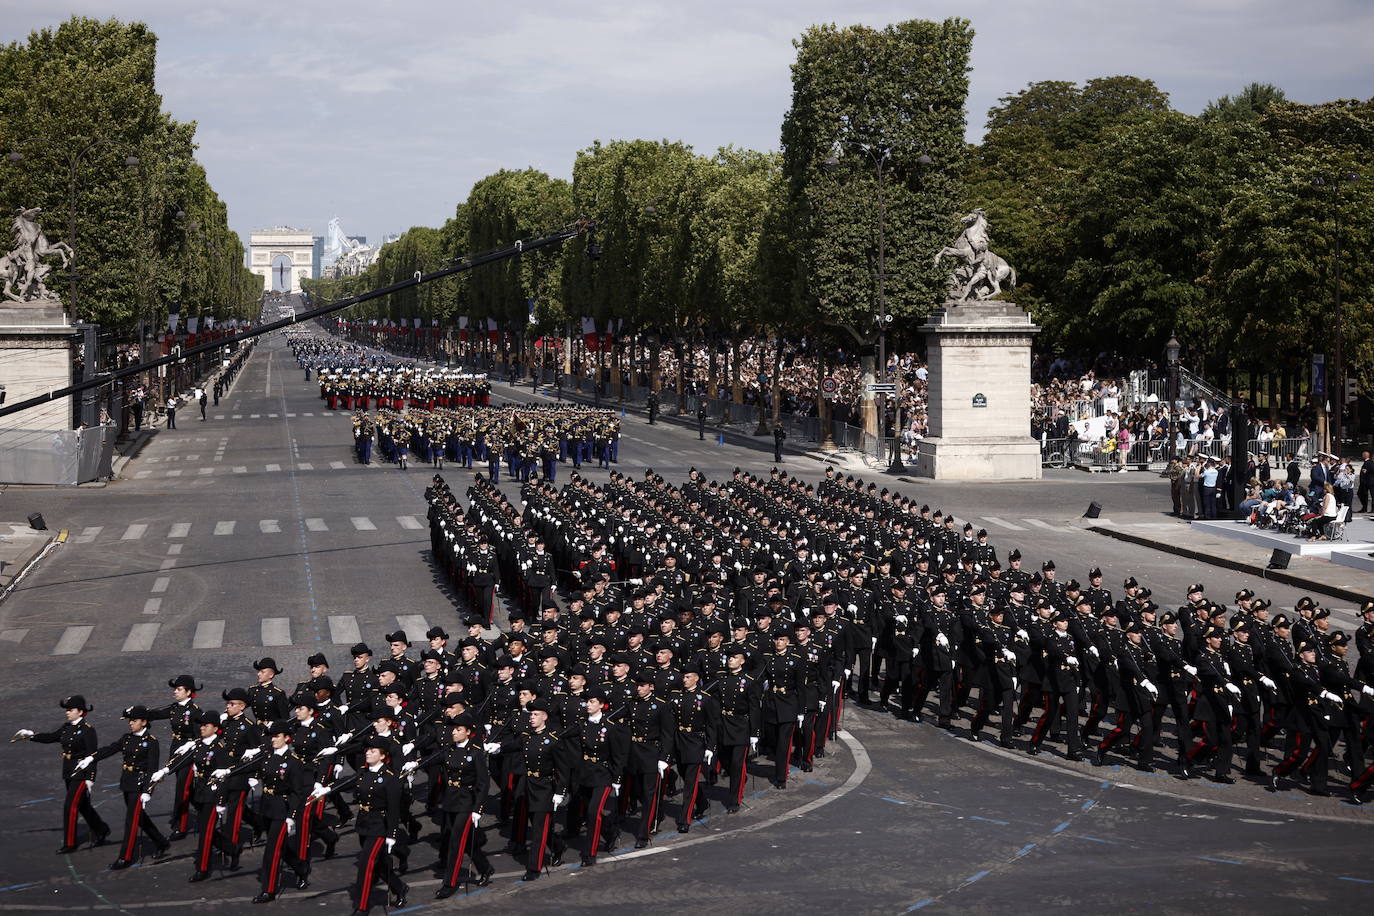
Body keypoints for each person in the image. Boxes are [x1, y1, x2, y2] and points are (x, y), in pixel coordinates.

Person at [11, 694, 110, 853]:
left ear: (80, 711)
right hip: (69, 772)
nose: (67, 712)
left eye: (70, 710)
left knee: (70, 806)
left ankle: (70, 843)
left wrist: (91, 778)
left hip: (81, 774)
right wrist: (31, 736)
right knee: (83, 806)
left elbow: (93, 755)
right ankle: (101, 829)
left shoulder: (88, 730)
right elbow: (51, 737)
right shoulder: (66, 727)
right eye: (67, 710)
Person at [88, 705, 168, 869]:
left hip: (139, 786)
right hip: (127, 782)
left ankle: (125, 857)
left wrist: (148, 791)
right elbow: (111, 749)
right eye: (130, 720)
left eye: (134, 720)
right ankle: (161, 842)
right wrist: (92, 758)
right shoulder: (127, 738)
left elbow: (152, 769)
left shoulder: (151, 742)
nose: (131, 723)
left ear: (144, 722)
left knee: (131, 821)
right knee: (140, 818)